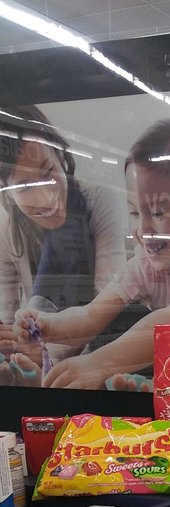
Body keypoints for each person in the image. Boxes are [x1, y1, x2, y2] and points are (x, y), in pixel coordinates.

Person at [12, 116, 170, 390]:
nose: (142, 230)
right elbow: (93, 314)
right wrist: (50, 325)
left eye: (158, 212)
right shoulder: (147, 260)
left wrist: (98, 364)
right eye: (134, 212)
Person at [0, 104, 125, 381]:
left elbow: (109, 305)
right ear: (7, 192)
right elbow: (7, 324)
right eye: (25, 187)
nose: (47, 199)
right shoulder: (7, 231)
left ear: (61, 156)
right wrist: (16, 344)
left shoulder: (100, 201)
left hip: (98, 358)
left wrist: (42, 351)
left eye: (48, 171)